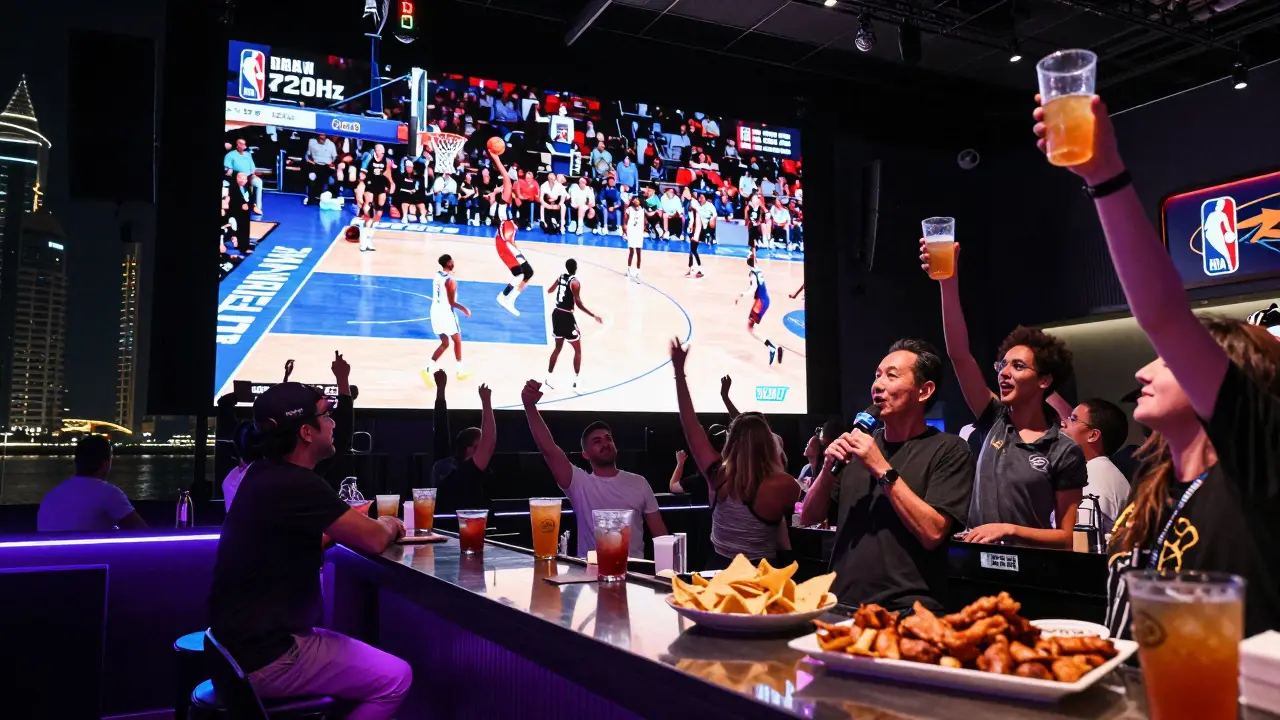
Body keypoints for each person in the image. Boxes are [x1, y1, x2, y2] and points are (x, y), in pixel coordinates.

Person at [1032, 94, 1280, 638]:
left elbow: (1165, 315)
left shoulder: (1257, 462)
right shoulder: (1156, 481)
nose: (1143, 371)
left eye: (1169, 360)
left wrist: (1105, 175)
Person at [209, 383, 411, 717]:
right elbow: (375, 539)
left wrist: (342, 530)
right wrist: (390, 524)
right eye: (327, 416)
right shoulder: (297, 482)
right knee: (396, 678)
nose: (333, 423)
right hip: (271, 656)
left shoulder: (263, 474)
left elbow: (289, 542)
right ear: (306, 431)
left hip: (238, 650)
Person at [923, 243, 1086, 548]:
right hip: (977, 564)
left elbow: (1066, 538)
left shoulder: (1064, 450)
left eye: (1019, 366)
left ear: (1045, 380)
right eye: (1003, 364)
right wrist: (948, 281)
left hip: (1031, 573)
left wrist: (1009, 529)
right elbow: (959, 354)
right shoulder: (994, 418)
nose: (1004, 373)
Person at [798, 340, 974, 610]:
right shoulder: (860, 446)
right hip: (841, 604)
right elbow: (809, 517)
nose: (878, 385)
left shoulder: (949, 449)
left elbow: (933, 532)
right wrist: (826, 469)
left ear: (924, 391)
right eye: (877, 375)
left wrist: (880, 467)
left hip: (907, 611)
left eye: (891, 376)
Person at [670, 340, 800, 567]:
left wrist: (679, 373)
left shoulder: (716, 475)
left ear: (731, 442)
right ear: (770, 442)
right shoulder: (785, 484)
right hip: (762, 576)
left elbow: (690, 424)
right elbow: (809, 517)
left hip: (718, 571)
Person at [521, 380, 667, 557]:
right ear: (586, 454)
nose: (605, 443)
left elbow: (662, 538)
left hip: (635, 575)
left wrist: (666, 577)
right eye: (597, 441)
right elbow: (549, 449)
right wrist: (529, 407)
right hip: (590, 575)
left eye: (608, 438)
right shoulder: (580, 483)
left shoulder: (639, 482)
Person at [37, 436, 147, 532]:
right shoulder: (109, 493)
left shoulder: (51, 495)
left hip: (49, 555)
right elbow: (142, 532)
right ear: (105, 463)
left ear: (77, 461)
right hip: (88, 556)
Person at [1060, 398, 1131, 532]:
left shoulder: (1094, 478)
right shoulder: (1095, 471)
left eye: (1073, 419)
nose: (1063, 423)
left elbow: (1084, 543)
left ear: (1093, 435)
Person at [430, 374, 496, 516]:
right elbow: (489, 439)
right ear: (469, 449)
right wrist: (486, 401)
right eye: (480, 444)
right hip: (466, 528)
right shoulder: (469, 471)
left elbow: (440, 428)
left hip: (445, 527)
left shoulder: (445, 466)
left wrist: (440, 390)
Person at [546, 258, 603, 393]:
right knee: (577, 349)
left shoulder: (561, 277)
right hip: (566, 316)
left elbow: (550, 290)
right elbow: (578, 304)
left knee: (557, 348)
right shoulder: (575, 283)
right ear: (576, 268)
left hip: (556, 314)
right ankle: (576, 383)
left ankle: (548, 379)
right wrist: (593, 315)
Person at [488, 150, 534, 317]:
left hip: (507, 243)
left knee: (526, 273)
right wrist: (496, 158)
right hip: (504, 243)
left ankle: (509, 299)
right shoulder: (502, 209)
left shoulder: (506, 212)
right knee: (522, 272)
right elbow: (506, 179)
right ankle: (504, 297)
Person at [422, 254, 471, 386]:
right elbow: (451, 302)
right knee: (457, 340)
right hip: (446, 313)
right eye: (452, 260)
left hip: (435, 312)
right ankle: (459, 371)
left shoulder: (438, 275)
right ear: (448, 263)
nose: (453, 262)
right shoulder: (451, 280)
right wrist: (464, 309)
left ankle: (429, 368)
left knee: (445, 343)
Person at [737, 254, 779, 365]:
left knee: (750, 328)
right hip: (765, 300)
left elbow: (753, 288)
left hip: (760, 303)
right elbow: (753, 255)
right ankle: (772, 347)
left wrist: (742, 294)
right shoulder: (759, 270)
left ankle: (772, 347)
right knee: (750, 327)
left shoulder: (752, 274)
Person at [303, 132, 337, 205]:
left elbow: (335, 158)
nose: (322, 135)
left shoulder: (331, 144)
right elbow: (308, 155)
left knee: (327, 178)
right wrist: (309, 160)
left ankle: (323, 198)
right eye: (320, 134)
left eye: (324, 134)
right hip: (315, 164)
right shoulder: (311, 141)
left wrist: (332, 164)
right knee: (312, 176)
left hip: (327, 166)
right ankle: (310, 197)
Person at [624, 196, 646, 281]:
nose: (635, 200)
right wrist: (624, 232)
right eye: (634, 199)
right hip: (631, 231)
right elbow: (625, 221)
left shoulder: (643, 210)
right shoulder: (629, 209)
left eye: (637, 199)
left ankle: (638, 272)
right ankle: (629, 269)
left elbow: (644, 221)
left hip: (639, 232)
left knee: (639, 252)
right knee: (631, 252)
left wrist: (644, 229)